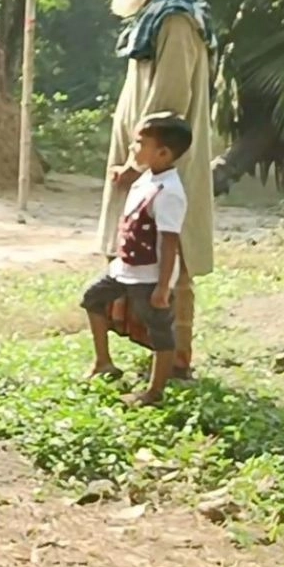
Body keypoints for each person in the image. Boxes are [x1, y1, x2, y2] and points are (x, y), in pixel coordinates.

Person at [99, 0, 214, 378]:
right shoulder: (154, 12)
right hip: (146, 164)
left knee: (170, 254)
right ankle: (151, 353)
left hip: (162, 167)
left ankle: (175, 362)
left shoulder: (178, 17)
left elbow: (168, 106)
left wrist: (138, 163)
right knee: (137, 252)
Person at [82, 115, 194, 407]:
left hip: (149, 276)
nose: (133, 147)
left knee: (160, 332)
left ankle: (154, 392)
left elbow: (170, 244)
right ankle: (102, 361)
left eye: (140, 143)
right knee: (93, 298)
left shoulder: (170, 192)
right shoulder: (148, 178)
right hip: (124, 270)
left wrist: (162, 286)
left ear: (163, 153)